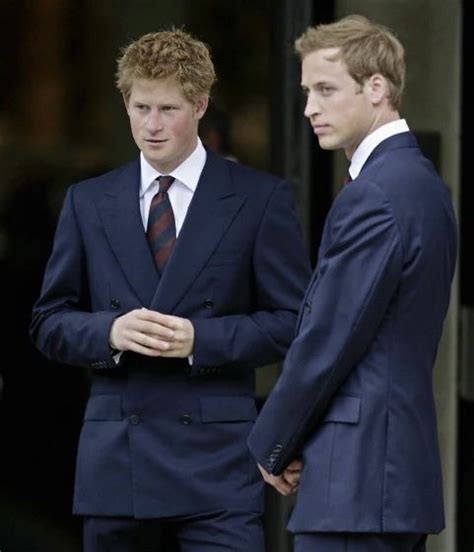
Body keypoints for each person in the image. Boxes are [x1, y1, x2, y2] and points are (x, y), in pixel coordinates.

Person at [30, 29, 311, 551]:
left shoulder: (259, 199)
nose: (152, 125)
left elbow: (295, 321)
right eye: (141, 107)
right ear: (125, 103)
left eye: (168, 109)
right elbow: (49, 322)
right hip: (118, 466)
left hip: (218, 467)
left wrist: (200, 339)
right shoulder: (88, 201)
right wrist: (109, 330)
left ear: (201, 105)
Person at [247, 14, 458, 552]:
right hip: (384, 480)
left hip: (356, 484)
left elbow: (330, 338)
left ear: (377, 88)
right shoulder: (421, 185)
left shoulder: (377, 194)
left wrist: (272, 443)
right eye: (306, 91)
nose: (310, 108)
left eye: (325, 89)